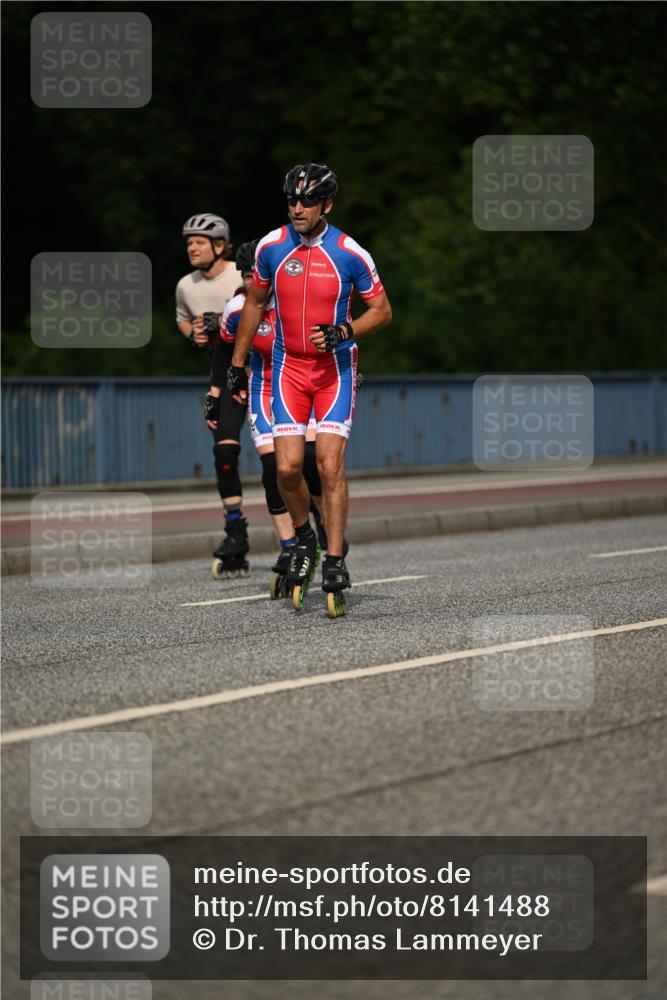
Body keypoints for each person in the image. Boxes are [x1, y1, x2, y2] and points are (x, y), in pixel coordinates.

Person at [227, 164, 391, 617]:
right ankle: (305, 539)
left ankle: (335, 561)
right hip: (288, 369)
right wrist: (238, 366)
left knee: (329, 465)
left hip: (334, 370)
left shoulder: (349, 252)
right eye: (292, 201)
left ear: (327, 205)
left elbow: (382, 310)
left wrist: (344, 330)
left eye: (308, 201)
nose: (298, 208)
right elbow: (254, 304)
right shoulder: (270, 247)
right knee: (286, 468)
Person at [207, 240, 325, 597]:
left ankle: (324, 525)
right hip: (264, 390)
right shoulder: (238, 307)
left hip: (303, 388)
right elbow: (225, 349)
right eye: (245, 276)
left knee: (308, 464)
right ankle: (291, 547)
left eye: (256, 275)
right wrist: (216, 395)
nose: (251, 282)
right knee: (274, 470)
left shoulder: (297, 300)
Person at [175, 214, 248, 578]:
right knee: (224, 452)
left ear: (220, 246)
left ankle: (303, 534)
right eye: (189, 242)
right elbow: (183, 318)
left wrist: (220, 321)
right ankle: (236, 533)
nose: (191, 247)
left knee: (284, 462)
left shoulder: (241, 273)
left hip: (263, 374)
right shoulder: (186, 285)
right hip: (223, 379)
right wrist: (193, 335)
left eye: (199, 241)